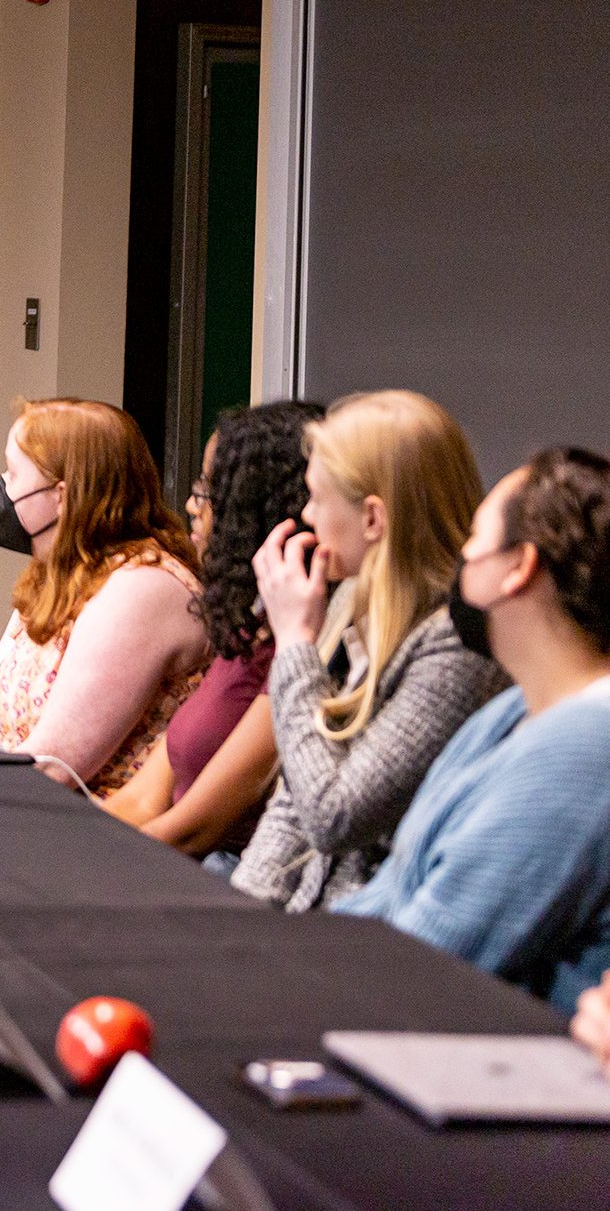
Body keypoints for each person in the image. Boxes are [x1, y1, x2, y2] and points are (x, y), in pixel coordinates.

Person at [334, 449, 610, 1014]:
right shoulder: (510, 711)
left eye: (476, 537)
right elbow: (394, 890)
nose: (462, 555)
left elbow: (428, 958)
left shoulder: (587, 750)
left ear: (519, 566)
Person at [231, 390, 505, 912]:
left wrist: (293, 645)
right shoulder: (354, 610)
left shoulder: (458, 649)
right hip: (305, 924)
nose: (307, 515)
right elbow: (292, 801)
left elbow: (334, 815)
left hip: (372, 944)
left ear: (374, 520)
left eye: (317, 498)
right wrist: (239, 922)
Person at [106, 402, 320, 863]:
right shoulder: (250, 629)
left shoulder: (303, 649)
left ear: (255, 507)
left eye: (208, 490)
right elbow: (144, 797)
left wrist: (89, 864)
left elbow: (194, 830)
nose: (191, 506)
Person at [0, 399, 209, 794]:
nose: (2, 488)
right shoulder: (55, 574)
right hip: (19, 810)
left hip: (92, 836)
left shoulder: (141, 587)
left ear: (61, 495)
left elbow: (52, 768)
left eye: (12, 474)